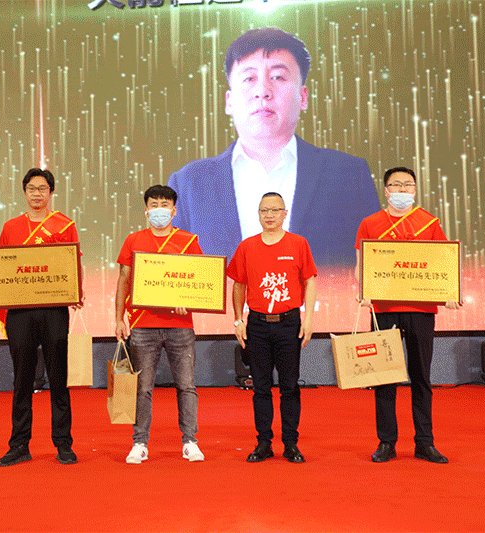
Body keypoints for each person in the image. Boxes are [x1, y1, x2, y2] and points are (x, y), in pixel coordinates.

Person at [169, 27, 379, 267]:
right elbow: (172, 278)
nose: (262, 92)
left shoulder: (348, 175)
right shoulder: (188, 185)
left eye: (278, 77)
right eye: (249, 79)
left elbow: (374, 270)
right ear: (229, 101)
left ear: (303, 97)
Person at [0, 168, 83, 467]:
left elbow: (73, 262)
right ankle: (19, 444)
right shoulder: (11, 227)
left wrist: (77, 290)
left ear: (51, 192)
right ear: (24, 192)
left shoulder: (65, 225)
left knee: (58, 377)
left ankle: (63, 443)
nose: (37, 193)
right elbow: (4, 265)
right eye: (32, 188)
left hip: (53, 309)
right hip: (20, 311)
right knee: (22, 379)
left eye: (43, 188)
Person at [354, 166, 460, 464]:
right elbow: (361, 262)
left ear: (415, 189)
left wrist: (450, 292)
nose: (402, 190)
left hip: (421, 309)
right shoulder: (370, 223)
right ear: (386, 190)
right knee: (384, 378)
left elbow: (443, 262)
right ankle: (386, 442)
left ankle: (425, 442)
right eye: (396, 184)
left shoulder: (429, 222)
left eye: (408, 185)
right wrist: (362, 290)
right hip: (383, 309)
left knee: (421, 376)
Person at [115, 184, 205, 464]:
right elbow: (123, 279)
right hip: (143, 325)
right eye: (154, 205)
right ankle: (139, 442)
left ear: (174, 210)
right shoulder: (134, 240)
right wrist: (118, 318)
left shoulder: (188, 241)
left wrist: (189, 300)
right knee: (142, 388)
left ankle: (190, 441)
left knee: (186, 386)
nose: (159, 210)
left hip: (180, 325)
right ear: (146, 210)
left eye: (164, 205)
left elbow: (200, 279)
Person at [227, 192, 317, 463]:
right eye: (264, 210)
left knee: (289, 385)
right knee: (261, 387)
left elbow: (309, 281)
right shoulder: (247, 246)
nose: (269, 215)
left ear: (284, 213)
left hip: (289, 323)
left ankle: (290, 443)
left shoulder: (298, 243)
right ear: (258, 214)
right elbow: (239, 285)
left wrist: (309, 319)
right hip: (257, 325)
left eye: (275, 210)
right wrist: (238, 320)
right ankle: (264, 442)